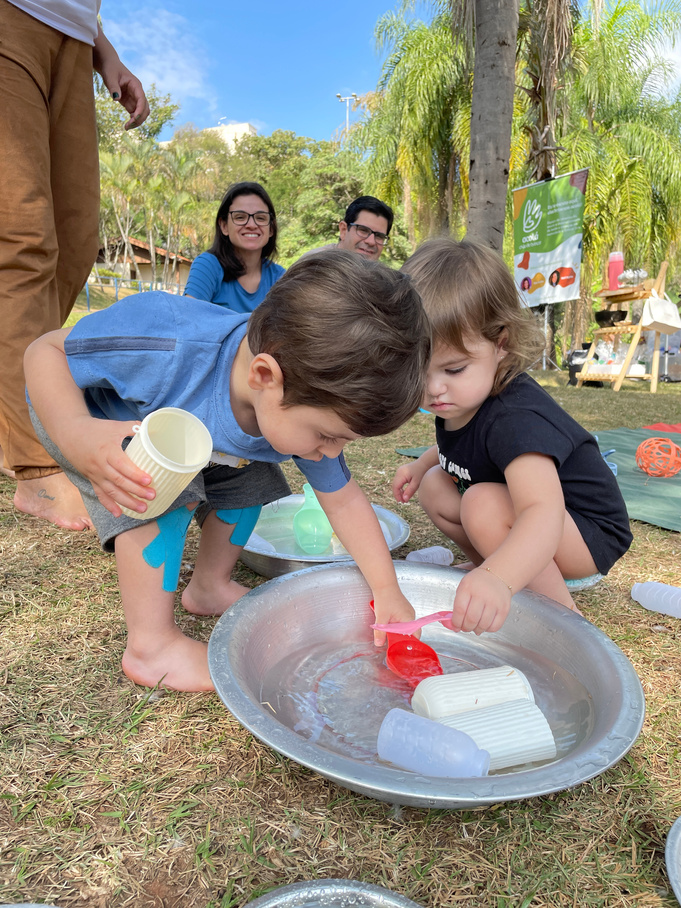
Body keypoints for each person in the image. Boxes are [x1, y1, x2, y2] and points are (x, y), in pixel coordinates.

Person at [25, 250, 431, 692]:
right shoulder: (169, 344)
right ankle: (151, 647)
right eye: (325, 435)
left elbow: (345, 501)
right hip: (94, 423)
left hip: (197, 441)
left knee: (252, 482)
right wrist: (76, 431)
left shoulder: (299, 388)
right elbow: (46, 351)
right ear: (265, 376)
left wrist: (387, 590)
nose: (329, 452)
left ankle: (209, 586)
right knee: (162, 492)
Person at [392, 238, 632, 635]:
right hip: (539, 523)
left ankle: (565, 617)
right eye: (418, 370)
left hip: (585, 533)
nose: (433, 389)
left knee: (481, 504)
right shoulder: (463, 399)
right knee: (435, 486)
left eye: (454, 369)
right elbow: (464, 447)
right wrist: (421, 465)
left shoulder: (515, 416)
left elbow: (542, 510)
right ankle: (490, 564)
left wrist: (500, 578)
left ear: (500, 344)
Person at [0, 0, 150, 530]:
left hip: (74, 35)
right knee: (21, 240)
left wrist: (105, 52)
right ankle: (36, 466)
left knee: (76, 241)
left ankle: (16, 416)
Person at [184, 181, 285, 312]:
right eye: (240, 217)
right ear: (224, 226)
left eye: (260, 218)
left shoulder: (279, 278)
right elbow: (188, 317)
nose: (251, 225)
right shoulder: (208, 265)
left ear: (271, 229)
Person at [307, 196, 393, 262]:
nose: (371, 242)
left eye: (379, 236)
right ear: (343, 230)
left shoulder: (380, 275)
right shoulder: (315, 266)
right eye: (363, 230)